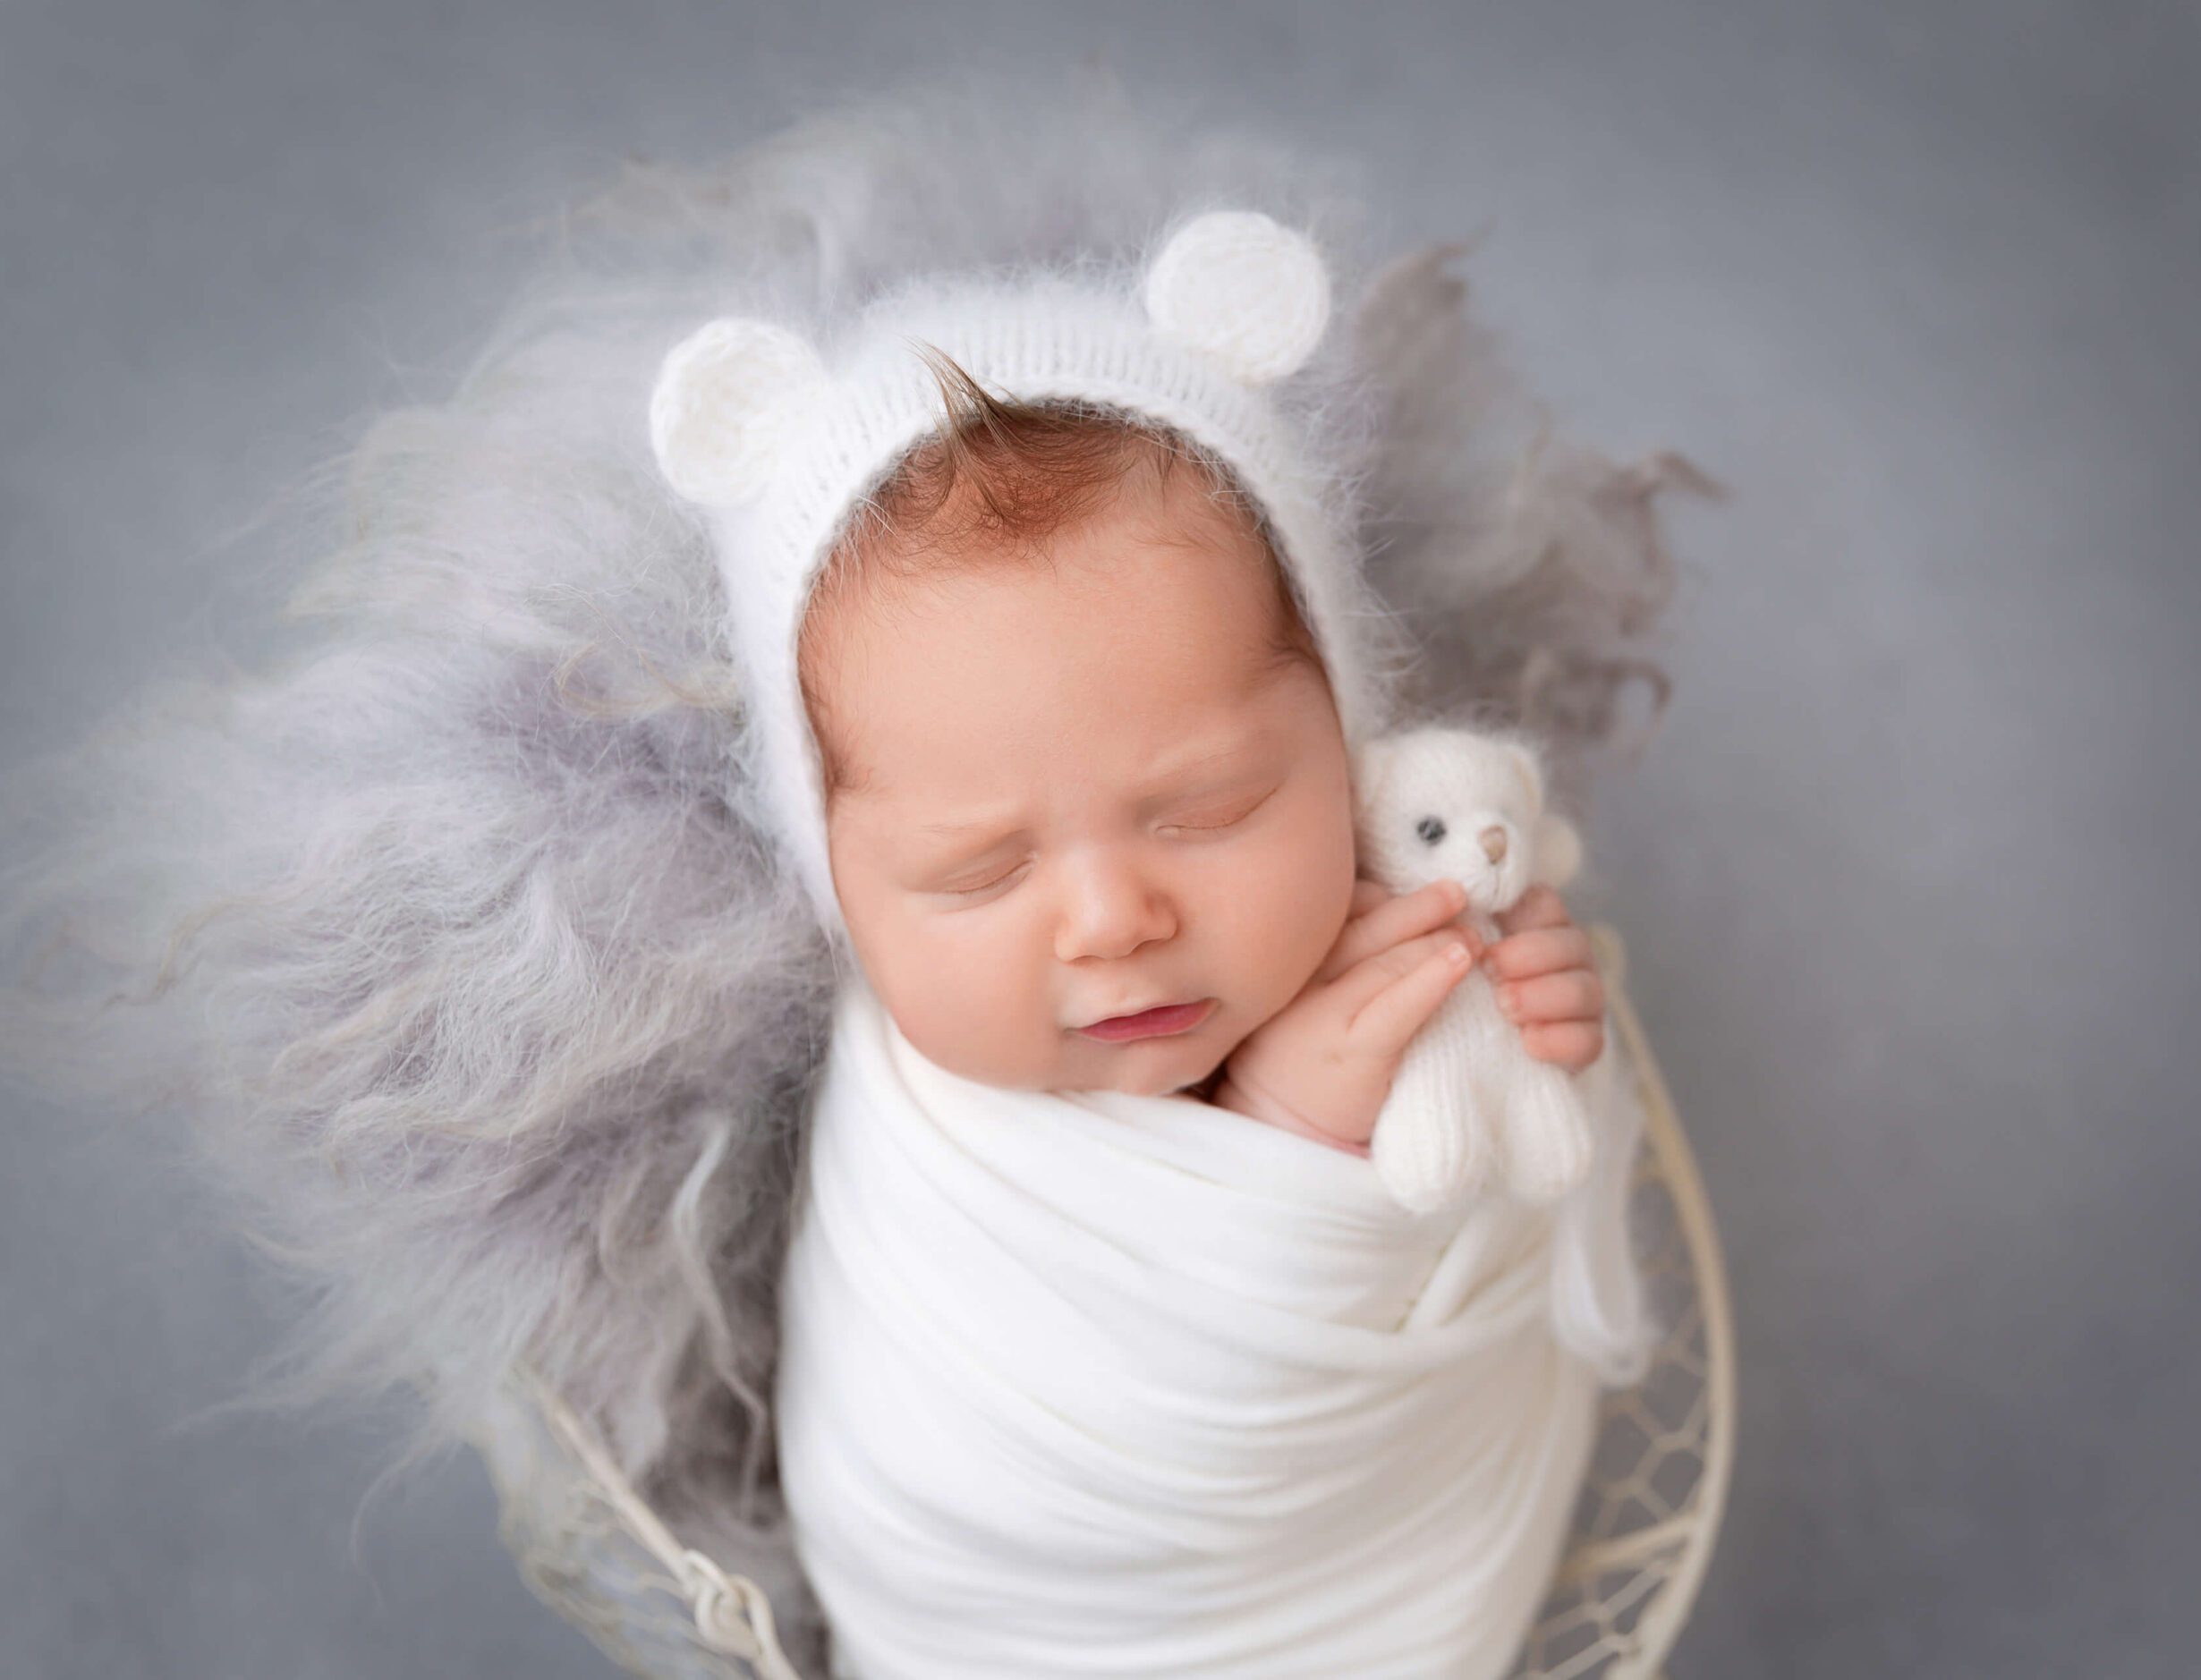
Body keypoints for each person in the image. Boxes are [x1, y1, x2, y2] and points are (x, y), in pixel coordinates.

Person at [0, 66, 1695, 1679]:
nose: (1112, 915)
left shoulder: (1423, 877)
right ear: (838, 898)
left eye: (1209, 805)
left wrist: (1528, 1033)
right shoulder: (924, 1149)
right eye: (977, 869)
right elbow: (979, 1472)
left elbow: (1536, 1228)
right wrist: (1294, 1163)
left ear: (1349, 731)